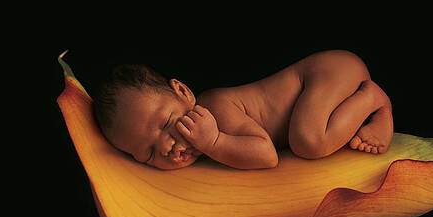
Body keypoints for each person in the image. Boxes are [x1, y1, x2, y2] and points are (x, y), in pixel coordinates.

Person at [94, 50, 393, 170]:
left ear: (184, 93)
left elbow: (267, 155)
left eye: (166, 123)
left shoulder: (215, 109)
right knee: (307, 133)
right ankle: (364, 109)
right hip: (323, 85)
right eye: (146, 152)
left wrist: (214, 142)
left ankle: (375, 101)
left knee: (308, 141)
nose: (166, 145)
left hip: (329, 71)